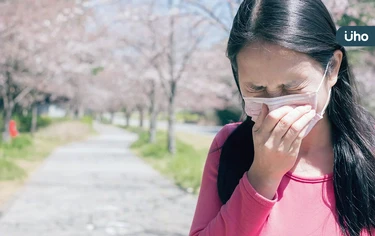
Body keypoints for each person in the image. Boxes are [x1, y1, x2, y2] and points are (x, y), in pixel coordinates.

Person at [188, 0, 375, 235]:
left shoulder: (370, 149)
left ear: (333, 68)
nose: (276, 109)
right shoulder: (229, 146)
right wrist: (262, 176)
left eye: (292, 87)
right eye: (257, 89)